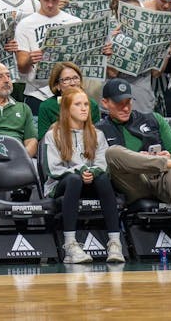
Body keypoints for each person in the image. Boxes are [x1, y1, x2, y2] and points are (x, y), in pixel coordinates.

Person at [97, 78, 171, 264]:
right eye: (118, 103)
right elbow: (101, 165)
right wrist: (151, 160)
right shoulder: (98, 130)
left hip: (162, 179)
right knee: (113, 153)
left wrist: (168, 157)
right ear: (105, 103)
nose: (125, 108)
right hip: (132, 184)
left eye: (128, 102)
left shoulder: (154, 119)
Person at [43, 87, 124, 263]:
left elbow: (102, 163)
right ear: (66, 109)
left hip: (90, 181)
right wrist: (79, 170)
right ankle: (70, 245)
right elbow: (52, 168)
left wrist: (92, 172)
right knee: (73, 179)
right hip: (62, 184)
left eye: (86, 104)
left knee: (102, 178)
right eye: (78, 104)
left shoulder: (97, 134)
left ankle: (115, 243)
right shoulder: (53, 135)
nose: (84, 108)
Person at [15, 0, 82, 114]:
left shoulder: (74, 22)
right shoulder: (25, 25)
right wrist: (30, 59)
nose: (50, 4)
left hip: (69, 93)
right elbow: (21, 66)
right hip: (37, 94)